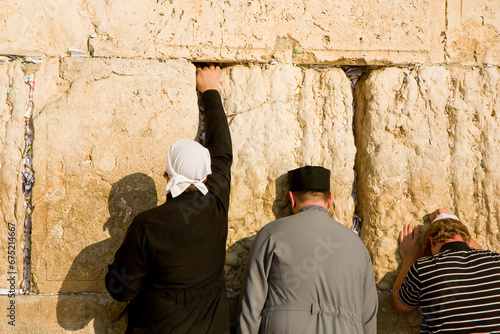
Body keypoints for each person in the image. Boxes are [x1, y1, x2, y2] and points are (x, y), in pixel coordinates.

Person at [105, 64, 232, 334]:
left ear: (166, 174)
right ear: (207, 176)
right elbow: (222, 150)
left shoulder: (148, 225)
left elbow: (121, 290)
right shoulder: (217, 203)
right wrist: (210, 90)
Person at [238, 165, 378, 334]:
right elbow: (369, 319)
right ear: (330, 200)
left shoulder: (271, 234)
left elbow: (251, 307)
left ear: (292, 199)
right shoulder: (358, 247)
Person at [393, 208, 500, 333]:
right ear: (466, 238)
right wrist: (452, 222)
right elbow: (479, 253)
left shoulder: (424, 268)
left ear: (430, 242)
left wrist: (409, 259)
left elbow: (400, 303)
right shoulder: (495, 260)